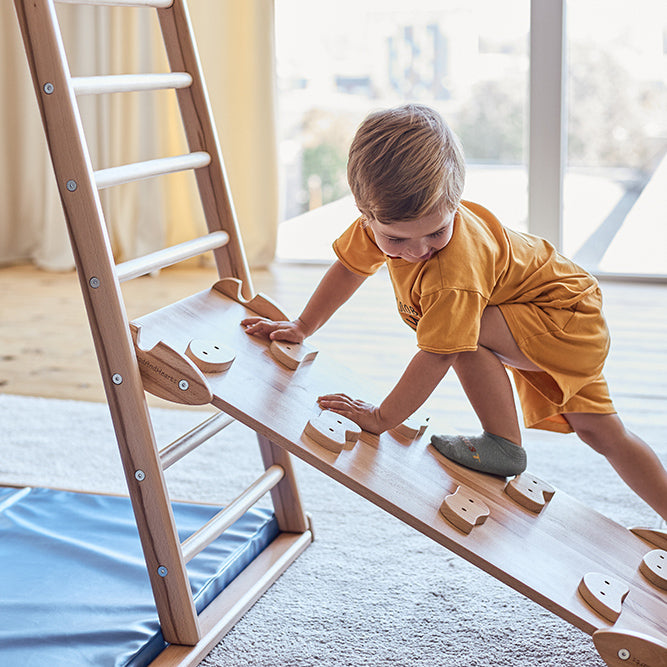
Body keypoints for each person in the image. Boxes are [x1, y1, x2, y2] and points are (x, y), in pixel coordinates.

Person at [243, 103, 667, 522]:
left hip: (562, 318)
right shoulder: (380, 225)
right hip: (562, 316)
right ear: (363, 212)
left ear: (456, 202)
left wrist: (380, 418)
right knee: (603, 432)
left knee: (462, 333)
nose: (418, 250)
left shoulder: (452, 274)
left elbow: (439, 354)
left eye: (436, 232)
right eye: (395, 239)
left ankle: (503, 443)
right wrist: (302, 325)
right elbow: (349, 269)